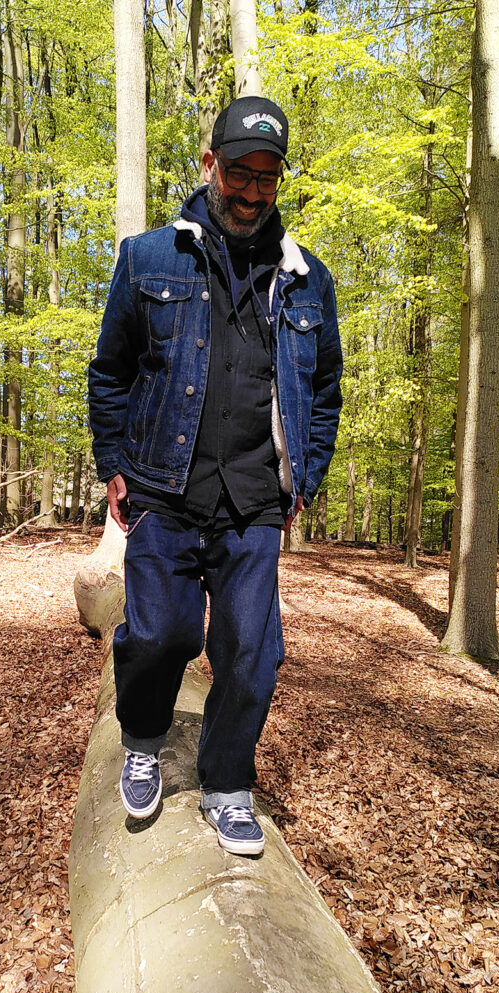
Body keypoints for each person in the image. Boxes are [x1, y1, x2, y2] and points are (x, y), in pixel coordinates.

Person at [88, 96, 342, 855]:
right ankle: (142, 735)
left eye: (267, 177)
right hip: (163, 487)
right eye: (240, 172)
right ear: (210, 166)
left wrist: (308, 479)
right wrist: (113, 465)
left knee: (252, 652)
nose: (252, 191)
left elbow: (325, 388)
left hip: (255, 501)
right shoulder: (148, 258)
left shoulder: (306, 279)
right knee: (162, 632)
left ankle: (228, 783)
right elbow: (111, 371)